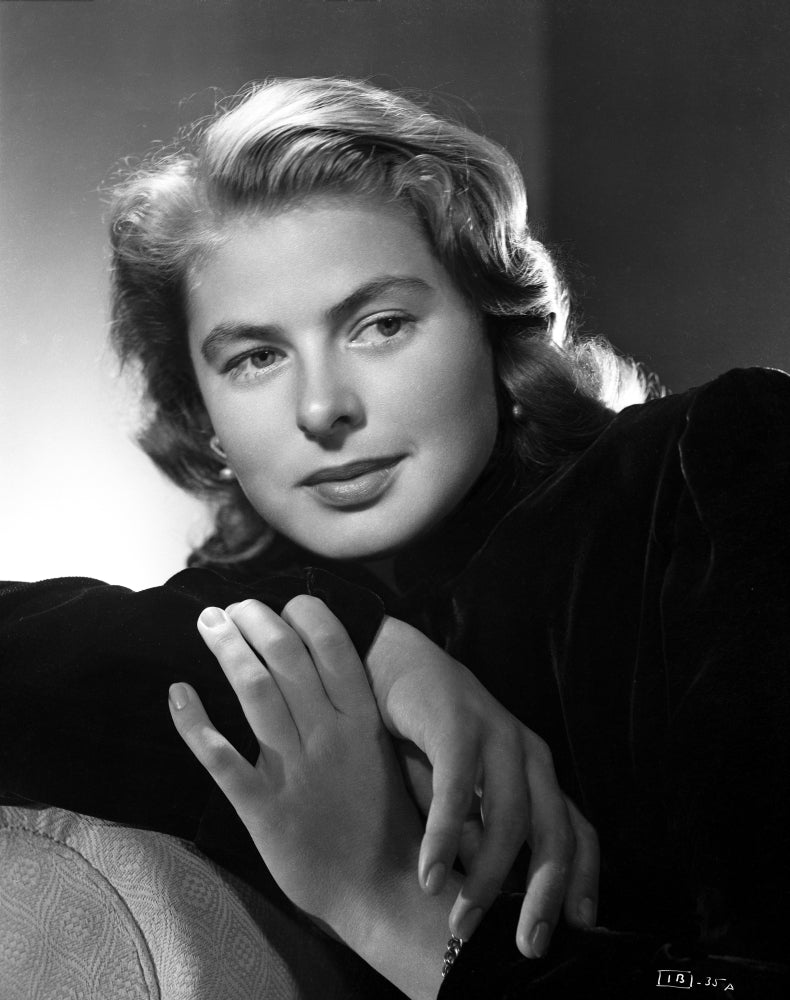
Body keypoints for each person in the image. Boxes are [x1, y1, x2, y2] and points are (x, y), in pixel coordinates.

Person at [1, 77, 788, 998]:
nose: (324, 408)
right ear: (204, 416)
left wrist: (379, 903)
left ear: (495, 329)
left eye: (380, 325)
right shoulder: (237, 615)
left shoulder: (712, 468)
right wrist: (374, 649)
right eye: (256, 357)